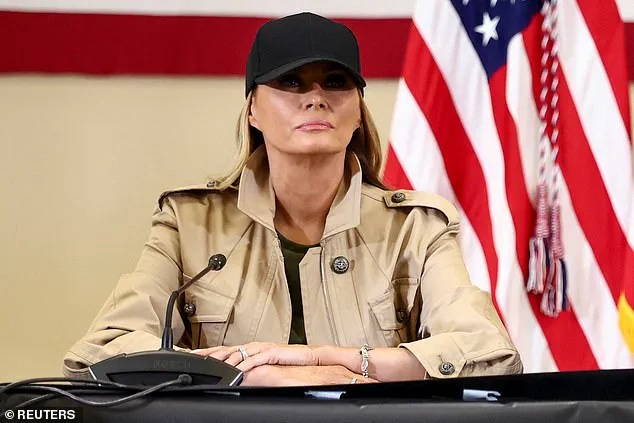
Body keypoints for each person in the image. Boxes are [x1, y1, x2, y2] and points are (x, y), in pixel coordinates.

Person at [63, 12, 522, 385]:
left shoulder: (416, 228)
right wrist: (254, 377)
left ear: (358, 114)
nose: (316, 98)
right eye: (291, 83)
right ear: (252, 110)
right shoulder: (188, 224)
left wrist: (328, 360)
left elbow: (490, 355)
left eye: (336, 82)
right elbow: (101, 351)